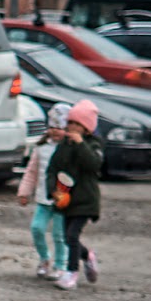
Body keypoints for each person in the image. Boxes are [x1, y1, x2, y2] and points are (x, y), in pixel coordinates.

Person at [48, 99, 104, 290]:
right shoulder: (64, 145)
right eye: (70, 123)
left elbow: (94, 165)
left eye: (77, 124)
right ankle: (87, 255)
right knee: (67, 236)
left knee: (72, 236)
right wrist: (52, 190)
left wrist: (81, 145)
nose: (72, 127)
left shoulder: (93, 144)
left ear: (86, 127)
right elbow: (53, 168)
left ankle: (71, 272)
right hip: (66, 200)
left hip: (86, 200)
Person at [17, 103, 71, 279]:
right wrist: (24, 192)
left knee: (59, 234)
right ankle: (44, 259)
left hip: (63, 200)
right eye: (52, 127)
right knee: (37, 228)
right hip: (43, 198)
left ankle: (60, 265)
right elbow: (32, 172)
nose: (55, 131)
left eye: (60, 127)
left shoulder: (70, 149)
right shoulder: (41, 147)